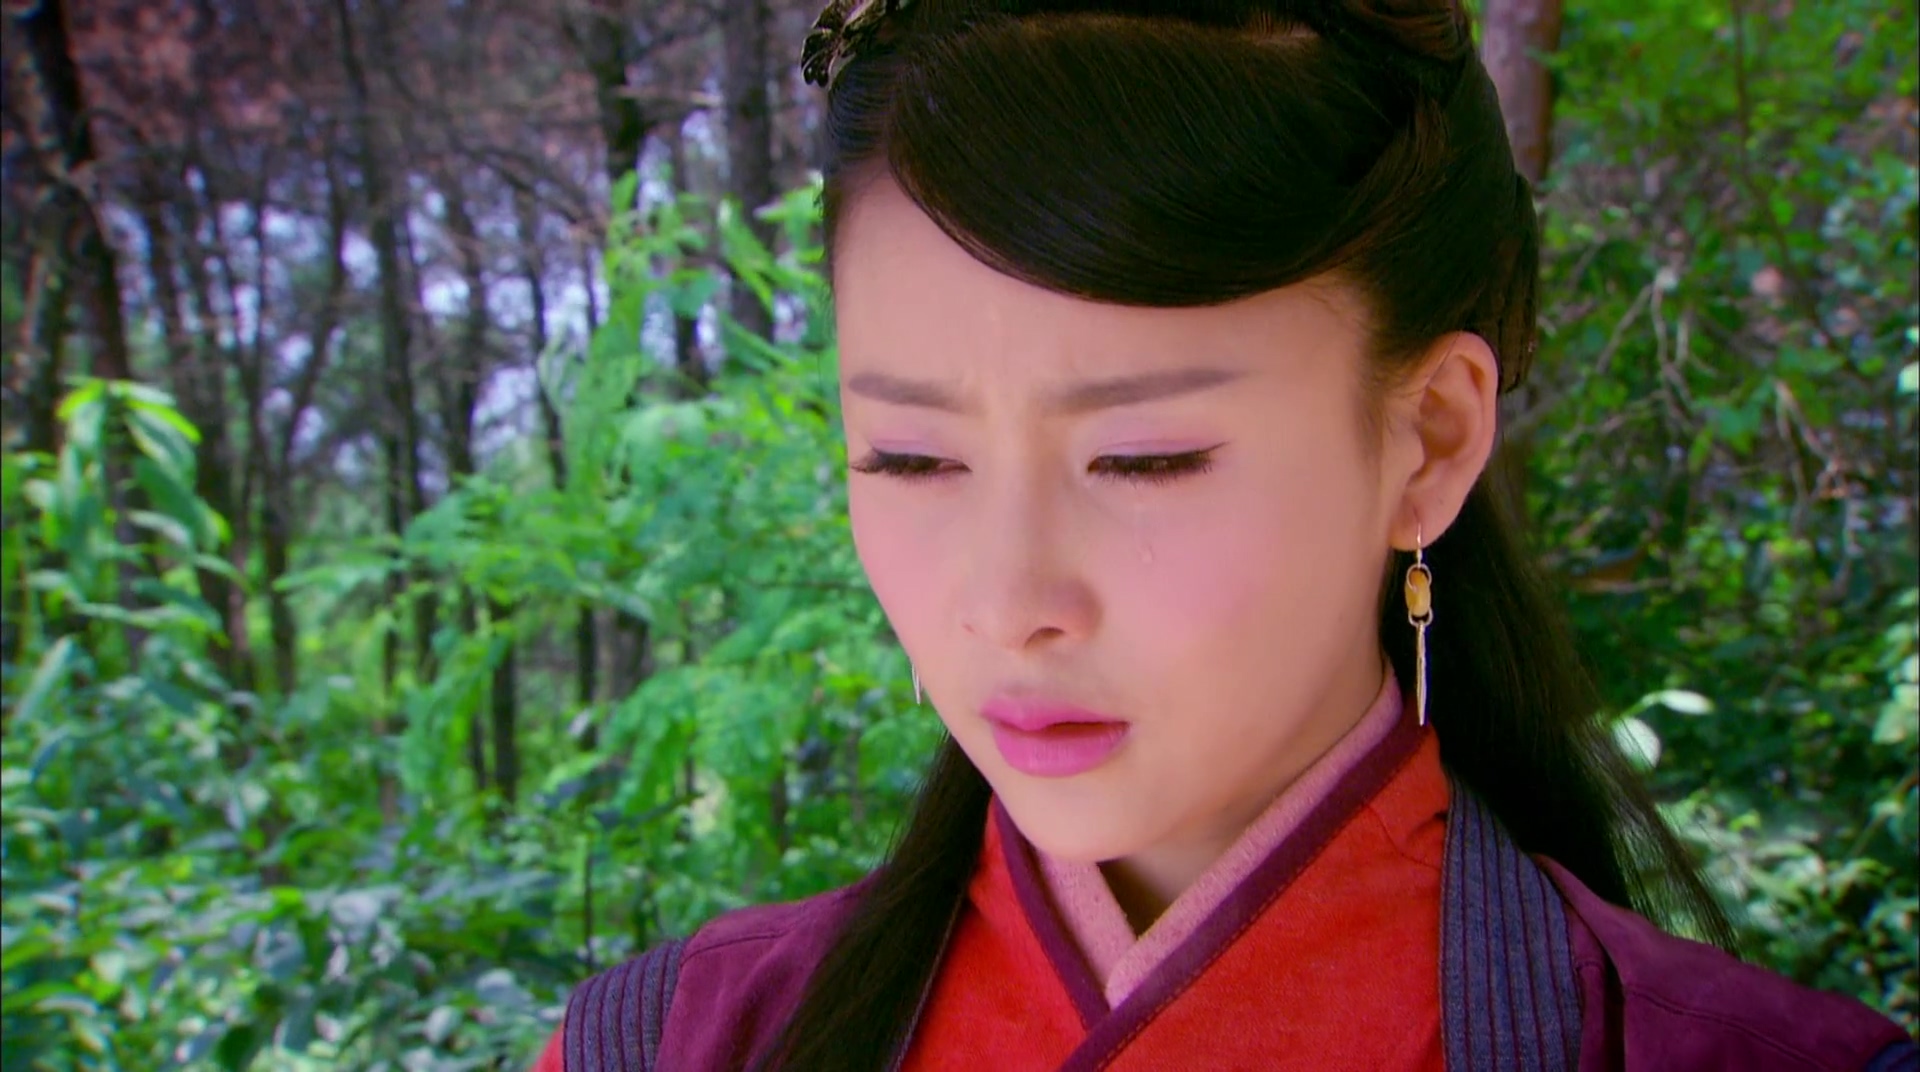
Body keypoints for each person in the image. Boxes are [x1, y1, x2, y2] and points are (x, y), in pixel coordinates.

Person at [531, 2, 1918, 1069]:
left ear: (1431, 438)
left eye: (1142, 458)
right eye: (912, 457)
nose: (1006, 600)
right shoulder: (668, 1044)